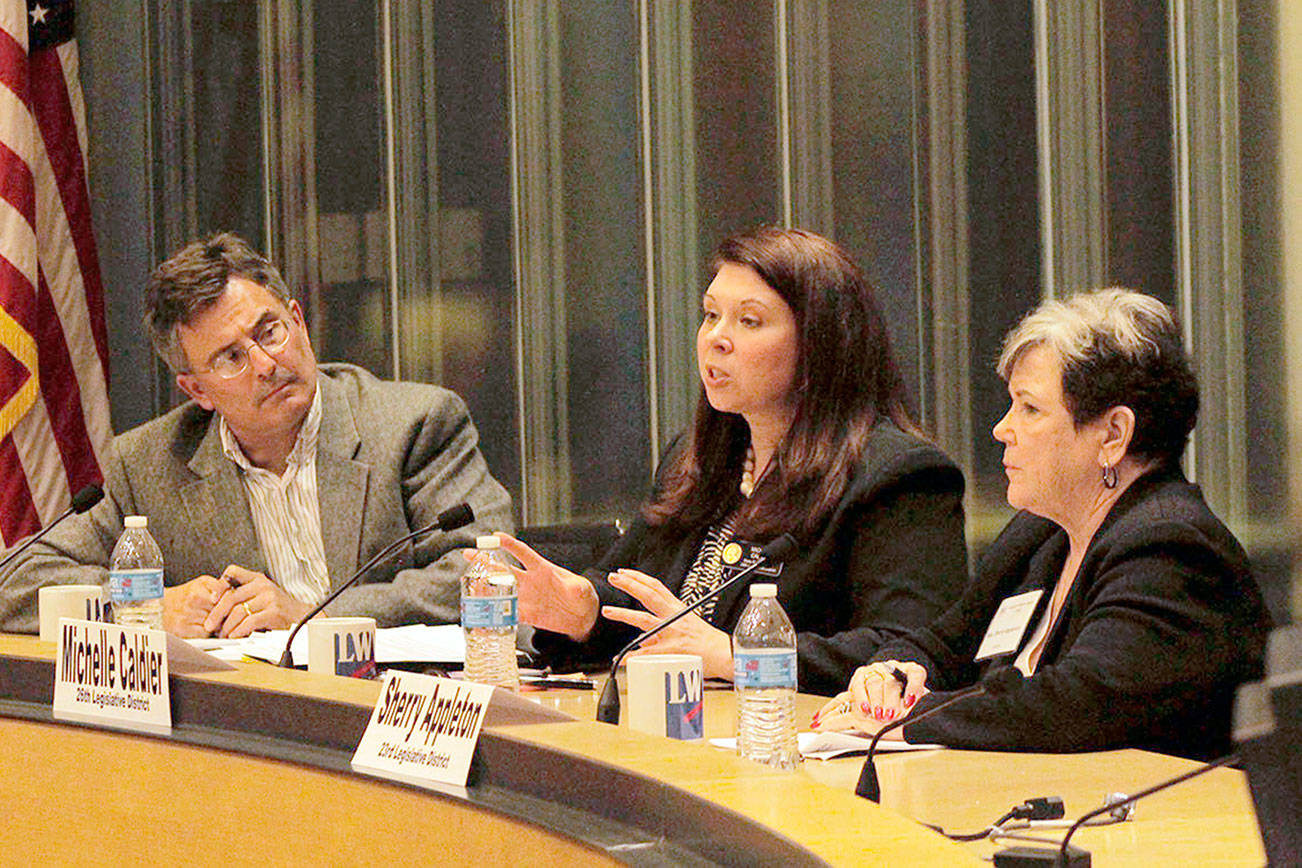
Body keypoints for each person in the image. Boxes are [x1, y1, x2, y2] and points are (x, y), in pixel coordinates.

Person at [494, 226, 968, 696]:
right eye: (710, 315)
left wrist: (735, 656)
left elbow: (908, 652)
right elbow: (653, 612)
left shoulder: (899, 477)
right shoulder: (697, 461)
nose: (715, 339)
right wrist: (584, 609)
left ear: (819, 346)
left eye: (749, 321)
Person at [813, 288, 1270, 759]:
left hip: (1156, 826)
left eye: (1029, 409)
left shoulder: (1170, 548)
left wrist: (910, 719)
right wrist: (887, 678)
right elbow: (944, 644)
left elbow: (1073, 706)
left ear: (1113, 434)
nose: (1001, 429)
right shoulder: (1041, 533)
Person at [0, 232, 511, 638]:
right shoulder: (149, 463)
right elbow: (14, 582)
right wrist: (143, 603)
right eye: (230, 358)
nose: (265, 365)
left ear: (299, 322)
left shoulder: (412, 425)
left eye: (269, 332)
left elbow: (494, 572)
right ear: (197, 390)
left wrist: (313, 618)